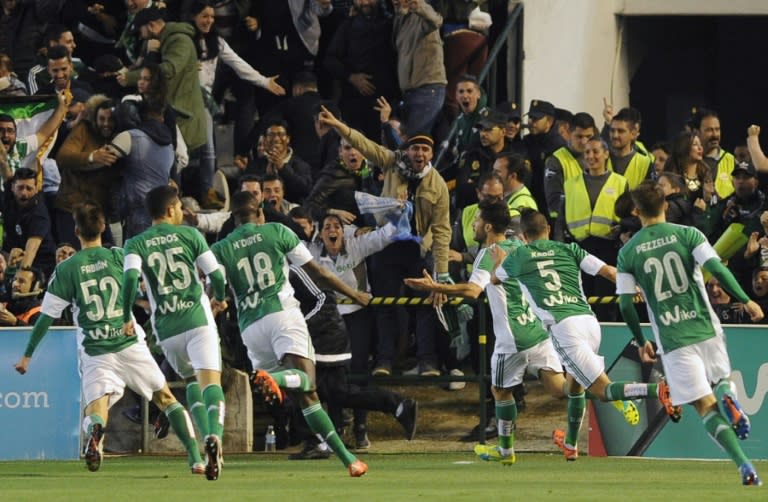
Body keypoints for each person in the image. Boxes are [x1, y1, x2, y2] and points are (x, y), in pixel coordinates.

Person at [14, 202, 205, 475]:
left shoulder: (68, 268)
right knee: (165, 398)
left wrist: (27, 355)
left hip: (95, 349)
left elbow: (45, 317)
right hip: (128, 342)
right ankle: (196, 458)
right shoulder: (120, 256)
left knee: (97, 405)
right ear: (103, 228)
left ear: (77, 231)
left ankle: (95, 433)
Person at [495, 208, 680, 461]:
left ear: (524, 236)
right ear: (548, 228)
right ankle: (571, 444)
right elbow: (608, 271)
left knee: (604, 391)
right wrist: (634, 287)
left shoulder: (519, 255)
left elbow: (496, 280)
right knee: (575, 385)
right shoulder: (570, 249)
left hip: (564, 327)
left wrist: (499, 260)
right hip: (589, 323)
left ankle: (657, 391)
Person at [210, 190, 371, 477]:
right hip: (282, 314)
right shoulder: (277, 231)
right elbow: (318, 273)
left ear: (233, 218)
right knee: (307, 381)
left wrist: (219, 303)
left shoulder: (221, 248)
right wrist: (354, 293)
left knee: (305, 396)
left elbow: (217, 291)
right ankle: (275, 378)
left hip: (250, 328)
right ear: (259, 211)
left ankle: (349, 460)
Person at [617, 180, 764, 486]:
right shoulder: (688, 234)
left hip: (672, 340)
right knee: (722, 380)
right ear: (665, 206)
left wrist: (642, 339)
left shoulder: (628, 252)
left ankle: (744, 465)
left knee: (703, 407)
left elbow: (626, 305)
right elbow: (719, 269)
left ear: (636, 210)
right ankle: (728, 397)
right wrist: (746, 299)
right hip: (705, 326)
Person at [317, 104, 451, 377]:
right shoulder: (391, 162)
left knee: (425, 305)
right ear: (406, 150)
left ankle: (428, 362)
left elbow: (442, 230)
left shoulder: (437, 184)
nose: (419, 153)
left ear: (431, 154)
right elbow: (363, 144)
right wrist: (338, 126)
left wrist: (443, 275)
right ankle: (384, 361)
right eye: (415, 148)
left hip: (418, 250)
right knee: (385, 305)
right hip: (386, 246)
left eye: (425, 149)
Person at [121, 185, 228, 481]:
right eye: (179, 207)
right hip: (197, 320)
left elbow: (129, 278)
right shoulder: (191, 235)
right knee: (211, 381)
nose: (182, 211)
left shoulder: (135, 243)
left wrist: (124, 313)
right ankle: (215, 437)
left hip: (167, 330)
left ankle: (204, 442)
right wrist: (218, 296)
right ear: (170, 210)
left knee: (190, 380)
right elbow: (217, 274)